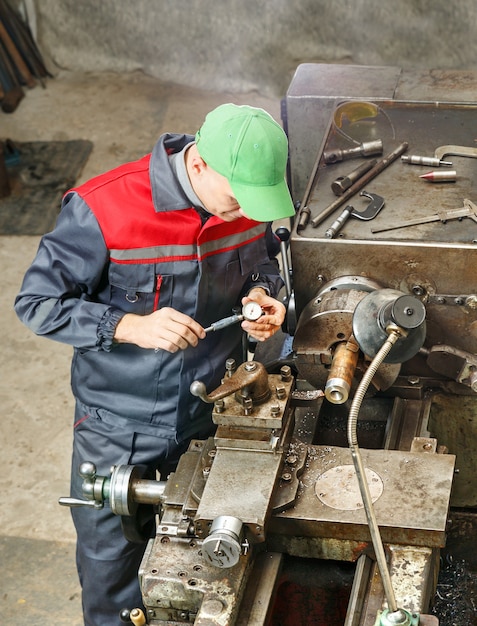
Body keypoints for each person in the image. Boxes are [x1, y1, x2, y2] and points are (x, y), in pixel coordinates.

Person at [14, 103, 295, 625]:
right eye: (238, 200)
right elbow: (37, 303)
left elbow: (261, 261)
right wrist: (129, 326)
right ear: (199, 166)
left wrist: (262, 294)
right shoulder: (105, 208)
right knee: (112, 572)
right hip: (118, 427)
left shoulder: (244, 204)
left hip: (213, 413)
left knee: (208, 562)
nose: (245, 213)